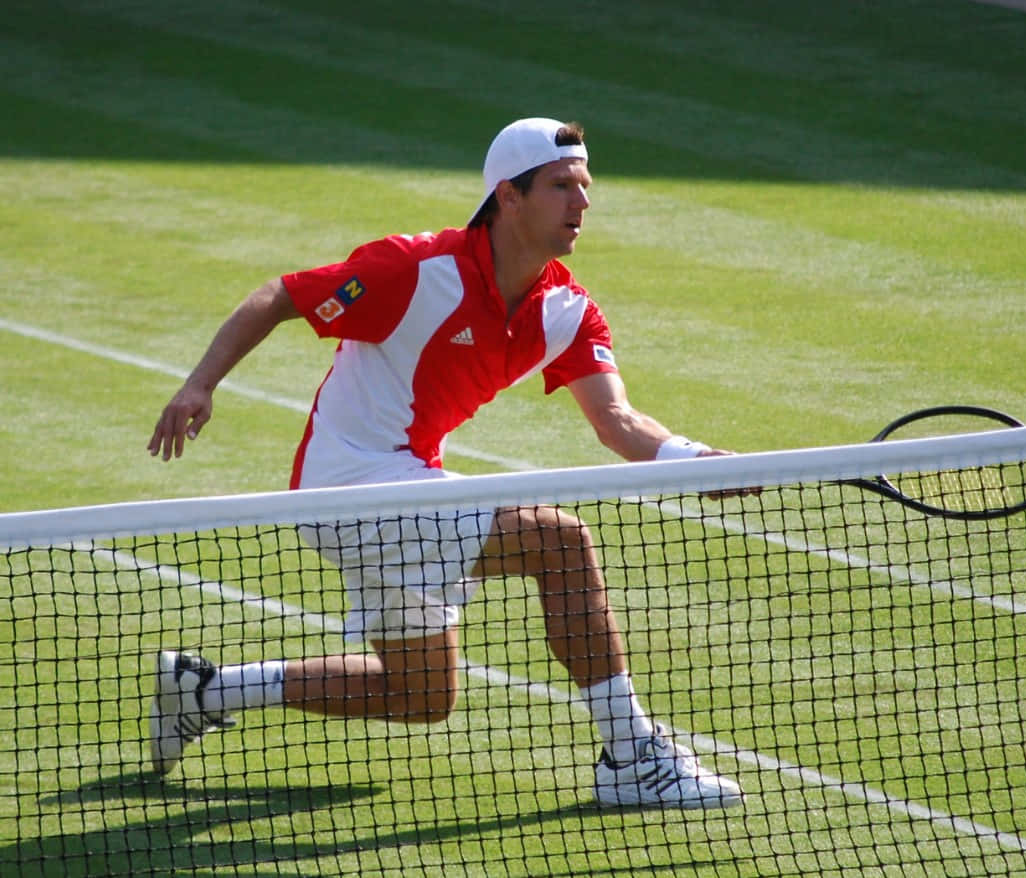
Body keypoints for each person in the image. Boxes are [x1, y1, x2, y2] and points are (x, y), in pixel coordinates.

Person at [145, 117, 743, 810]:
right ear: (507, 198)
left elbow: (619, 424)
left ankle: (205, 690)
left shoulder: (571, 313)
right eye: (560, 186)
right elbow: (283, 295)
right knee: (561, 543)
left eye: (585, 186)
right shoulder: (412, 270)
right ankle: (631, 757)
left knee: (421, 696)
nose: (581, 202)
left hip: (406, 492)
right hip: (348, 487)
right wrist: (200, 384)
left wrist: (696, 460)